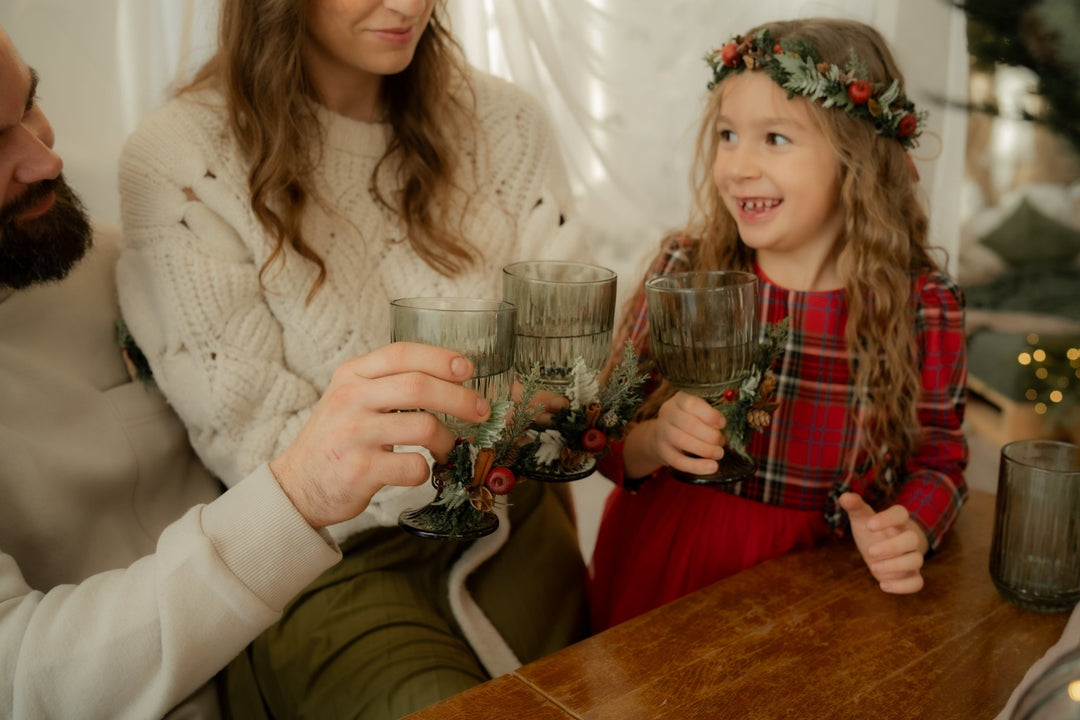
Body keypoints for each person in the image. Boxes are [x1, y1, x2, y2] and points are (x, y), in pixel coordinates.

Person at [0, 22, 498, 719]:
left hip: (326, 602)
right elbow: (23, 683)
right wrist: (295, 494)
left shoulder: (96, 251)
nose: (45, 159)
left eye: (29, 105)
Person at [115, 0, 588, 717]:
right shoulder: (184, 162)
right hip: (328, 565)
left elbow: (570, 362)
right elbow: (260, 446)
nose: (407, 6)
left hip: (508, 525)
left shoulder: (508, 125)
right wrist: (495, 416)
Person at [588, 17, 969, 632]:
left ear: (857, 157)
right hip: (672, 566)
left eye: (775, 139)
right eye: (728, 134)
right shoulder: (686, 270)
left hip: (823, 585)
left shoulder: (921, 305)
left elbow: (940, 463)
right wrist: (657, 439)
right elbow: (601, 436)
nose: (737, 166)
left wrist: (912, 528)